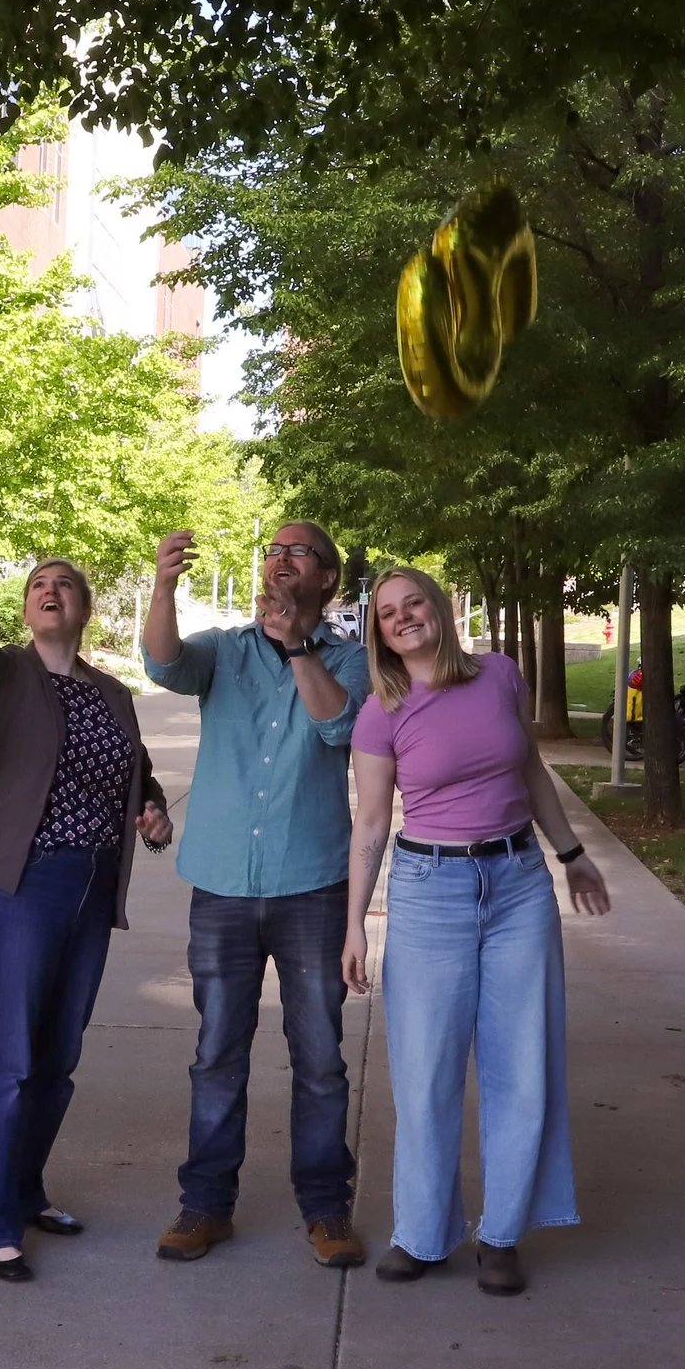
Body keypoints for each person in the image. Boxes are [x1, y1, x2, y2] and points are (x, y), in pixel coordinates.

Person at [0, 453, 174, 1283]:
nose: (50, 590)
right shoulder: (6, 674)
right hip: (25, 882)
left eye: (65, 584)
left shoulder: (111, 693)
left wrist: (154, 804)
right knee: (13, 1055)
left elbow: (132, 766)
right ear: (28, 610)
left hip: (95, 885)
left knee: (58, 1055)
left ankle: (26, 1192)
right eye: (38, 585)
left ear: (86, 610)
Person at [340, 566, 612, 1295]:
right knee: (426, 1071)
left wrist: (573, 855)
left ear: (441, 607)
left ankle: (501, 1235)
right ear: (380, 633)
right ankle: (423, 1234)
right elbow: (369, 823)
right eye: (388, 613)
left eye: (414, 602)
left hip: (519, 883)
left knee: (521, 1063)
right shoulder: (382, 710)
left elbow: (530, 771)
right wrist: (357, 924)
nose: (403, 617)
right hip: (431, 891)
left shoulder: (500, 675)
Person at [142, 521, 373, 1269]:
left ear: (328, 580)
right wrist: (165, 584)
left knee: (319, 1056)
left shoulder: (354, 662)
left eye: (297, 552)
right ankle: (205, 1204)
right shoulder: (225, 648)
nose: (278, 559)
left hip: (312, 885)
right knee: (217, 1052)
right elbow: (164, 663)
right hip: (222, 887)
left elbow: (337, 724)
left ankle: (326, 1208)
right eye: (273, 549)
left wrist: (299, 647)